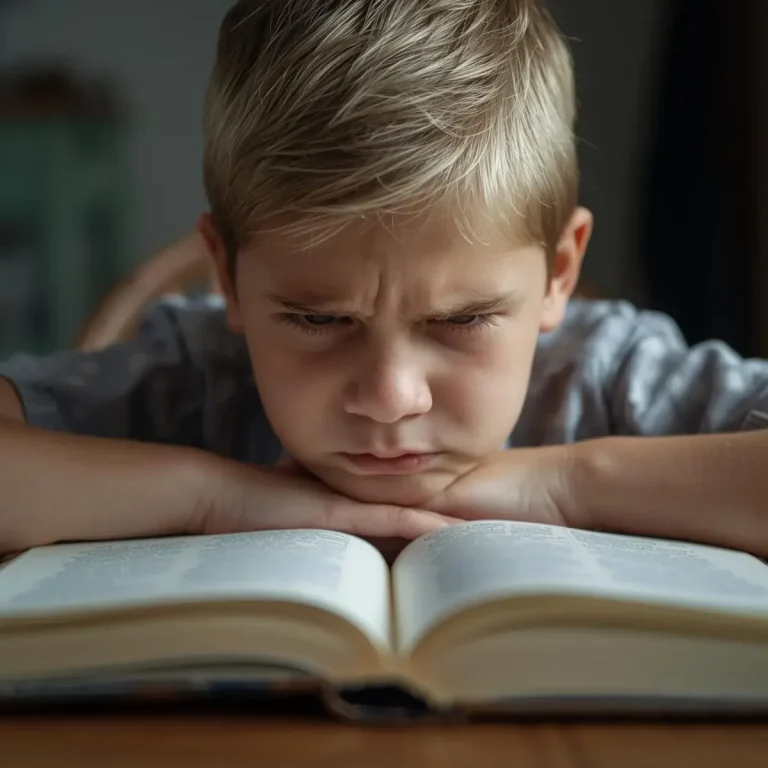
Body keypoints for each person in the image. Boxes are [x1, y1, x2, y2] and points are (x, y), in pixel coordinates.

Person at [1, 0, 767, 560]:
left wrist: (568, 484)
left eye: (462, 319)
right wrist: (213, 497)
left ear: (558, 272)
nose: (392, 398)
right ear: (228, 276)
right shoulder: (192, 377)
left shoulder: (607, 375)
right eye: (318, 319)